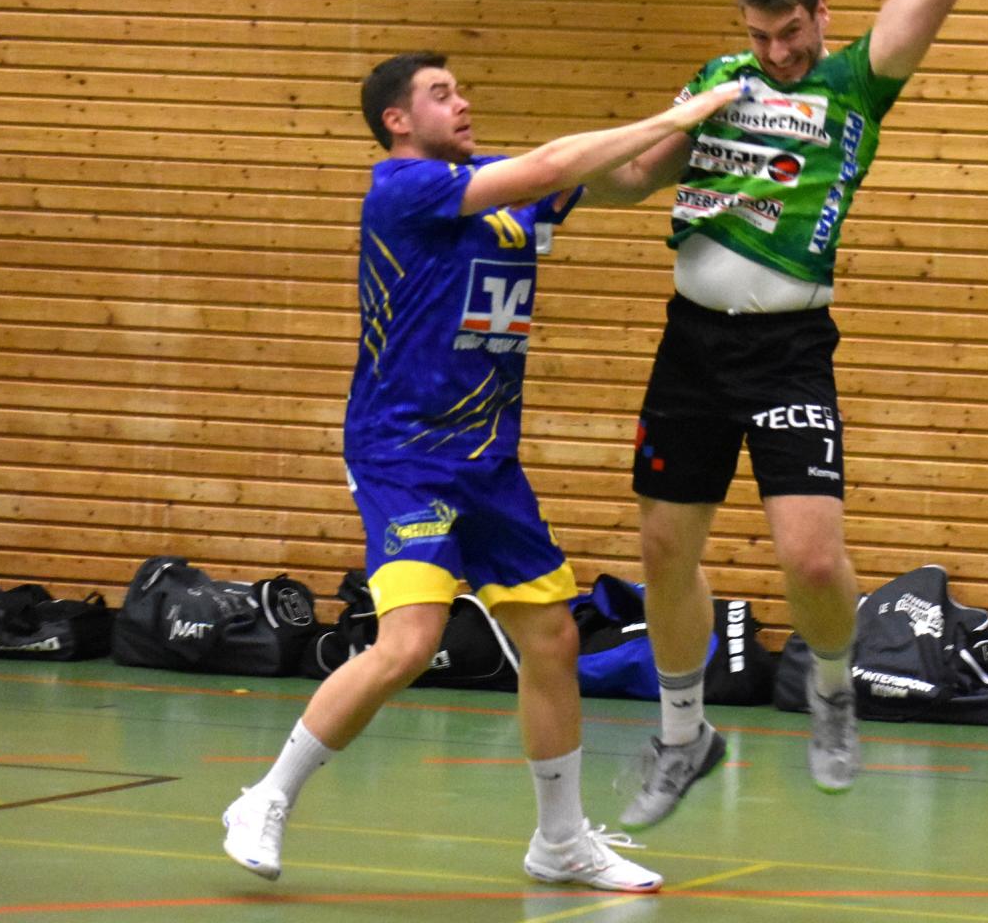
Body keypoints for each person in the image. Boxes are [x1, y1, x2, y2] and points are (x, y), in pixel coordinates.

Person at [219, 52, 741, 892]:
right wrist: (673, 117)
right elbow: (554, 161)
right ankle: (266, 798)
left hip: (487, 461)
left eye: (459, 89)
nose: (461, 102)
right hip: (405, 453)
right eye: (441, 94)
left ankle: (560, 842)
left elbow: (632, 175)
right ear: (397, 120)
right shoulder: (403, 189)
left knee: (553, 638)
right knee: (410, 642)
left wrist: (717, 113)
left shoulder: (499, 184)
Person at [582, 0, 961, 827]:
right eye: (760, 37)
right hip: (692, 344)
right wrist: (560, 174)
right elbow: (636, 178)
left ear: (820, 15)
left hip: (789, 348)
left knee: (815, 562)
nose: (778, 53)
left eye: (790, 33)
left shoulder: (858, 79)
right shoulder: (719, 81)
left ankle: (832, 691)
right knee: (664, 549)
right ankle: (683, 737)